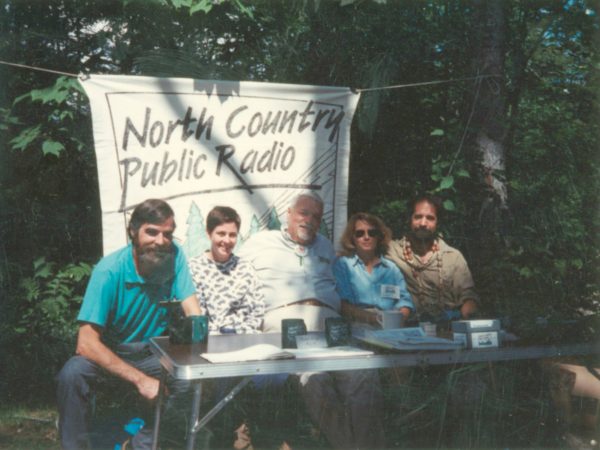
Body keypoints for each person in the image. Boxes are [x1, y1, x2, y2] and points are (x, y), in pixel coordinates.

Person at [238, 191, 385, 450]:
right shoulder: (260, 242)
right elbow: (232, 273)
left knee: (364, 374)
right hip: (286, 330)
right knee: (314, 381)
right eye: (304, 213)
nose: (309, 220)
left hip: (331, 331)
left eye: (316, 216)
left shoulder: (326, 247)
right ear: (289, 215)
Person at [56, 199, 201, 450]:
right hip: (112, 353)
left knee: (188, 379)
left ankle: (140, 445)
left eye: (167, 234)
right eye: (151, 232)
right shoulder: (108, 271)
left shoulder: (174, 256)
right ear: (133, 231)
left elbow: (192, 309)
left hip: (153, 353)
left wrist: (201, 346)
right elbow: (86, 343)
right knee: (73, 373)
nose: (160, 241)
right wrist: (140, 380)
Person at [386, 193, 478, 321]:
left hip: (447, 326)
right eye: (418, 217)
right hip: (407, 326)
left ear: (438, 222)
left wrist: (467, 319)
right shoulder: (392, 251)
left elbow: (468, 296)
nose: (423, 223)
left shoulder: (453, 257)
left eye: (430, 218)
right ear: (409, 219)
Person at [188, 206, 264, 334]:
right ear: (209, 233)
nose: (227, 240)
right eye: (221, 234)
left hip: (243, 339)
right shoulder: (194, 267)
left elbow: (257, 311)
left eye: (232, 235)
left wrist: (238, 333)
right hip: (208, 340)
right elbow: (197, 315)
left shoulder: (246, 269)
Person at [334, 212, 414, 327]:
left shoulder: (392, 269)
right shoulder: (343, 265)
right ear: (352, 238)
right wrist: (372, 318)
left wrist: (398, 319)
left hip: (389, 326)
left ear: (379, 236)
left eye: (372, 233)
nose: (366, 237)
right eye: (360, 233)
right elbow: (343, 305)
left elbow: (405, 302)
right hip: (357, 326)